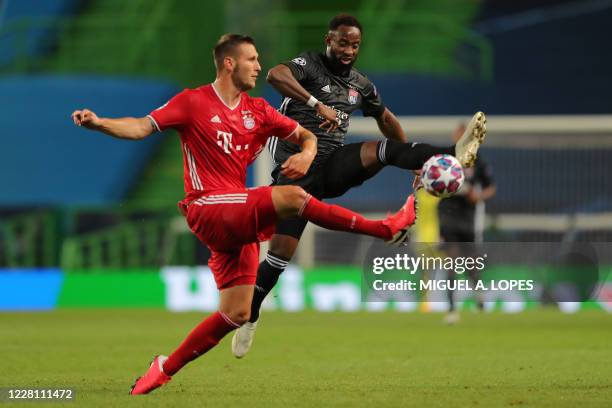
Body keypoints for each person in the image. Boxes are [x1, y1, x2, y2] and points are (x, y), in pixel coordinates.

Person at [71, 33, 418, 395]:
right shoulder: (192, 102)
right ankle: (384, 229)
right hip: (206, 206)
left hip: (235, 218)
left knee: (236, 313)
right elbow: (142, 126)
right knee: (293, 196)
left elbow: (305, 135)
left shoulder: (259, 111)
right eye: (252, 59)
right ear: (229, 63)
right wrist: (100, 123)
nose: (259, 65)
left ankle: (163, 368)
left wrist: (308, 152)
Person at [232, 13, 487, 357]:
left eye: (355, 44)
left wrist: (411, 161)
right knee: (279, 256)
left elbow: (385, 119)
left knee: (381, 150)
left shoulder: (360, 85)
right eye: (343, 42)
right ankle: (251, 316)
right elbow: (277, 75)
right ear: (329, 39)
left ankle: (453, 152)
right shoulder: (309, 64)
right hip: (295, 172)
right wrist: (315, 104)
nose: (349, 49)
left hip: (334, 168)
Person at [439, 123, 496, 324]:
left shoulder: (478, 161)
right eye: (458, 134)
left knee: (470, 262)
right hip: (447, 215)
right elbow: (433, 179)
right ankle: (452, 308)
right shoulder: (446, 158)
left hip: (467, 217)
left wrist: (478, 196)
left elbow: (491, 188)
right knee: (451, 262)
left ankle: (478, 294)